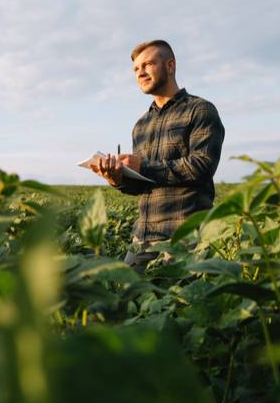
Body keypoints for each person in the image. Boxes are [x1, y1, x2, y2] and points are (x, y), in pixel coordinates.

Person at [89, 39, 225, 268]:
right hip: (143, 237)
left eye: (148, 64)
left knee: (182, 301)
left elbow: (202, 166)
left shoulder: (200, 110)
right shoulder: (141, 125)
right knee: (127, 296)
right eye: (136, 69)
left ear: (170, 66)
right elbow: (144, 185)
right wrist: (118, 179)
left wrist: (142, 165)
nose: (140, 73)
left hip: (186, 236)